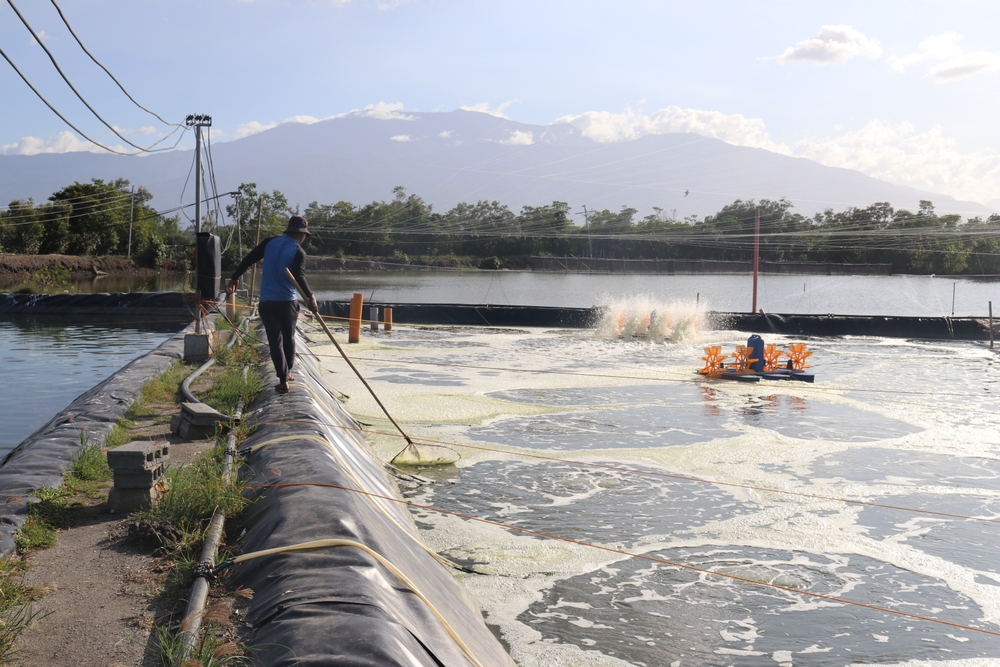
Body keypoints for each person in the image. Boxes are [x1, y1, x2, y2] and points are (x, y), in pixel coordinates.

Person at [227, 215, 319, 394]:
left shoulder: (270, 242)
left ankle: (283, 380)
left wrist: (235, 277)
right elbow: (299, 276)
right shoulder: (298, 251)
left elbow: (249, 259)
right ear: (302, 235)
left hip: (267, 302)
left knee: (275, 341)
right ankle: (288, 372)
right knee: (289, 338)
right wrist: (311, 296)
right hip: (287, 302)